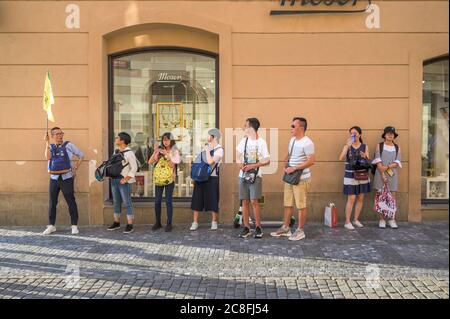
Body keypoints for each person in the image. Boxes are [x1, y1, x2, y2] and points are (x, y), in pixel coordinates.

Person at [270, 117, 315, 241]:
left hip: (301, 178)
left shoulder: (307, 142)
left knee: (301, 205)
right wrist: (285, 164)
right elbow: (290, 154)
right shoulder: (292, 140)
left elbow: (311, 161)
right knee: (288, 203)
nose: (291, 128)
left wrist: (294, 168)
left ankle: (300, 231)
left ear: (301, 128)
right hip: (290, 176)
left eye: (293, 126)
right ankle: (286, 228)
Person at [43, 127, 84, 235]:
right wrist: (46, 143)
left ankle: (74, 225)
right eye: (57, 134)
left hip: (67, 178)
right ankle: (51, 225)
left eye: (61, 133)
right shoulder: (50, 147)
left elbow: (81, 155)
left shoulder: (69, 145)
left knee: (71, 201)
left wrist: (76, 167)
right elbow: (47, 157)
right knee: (52, 202)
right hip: (54, 178)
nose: (60, 135)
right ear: (52, 136)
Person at [236, 118, 270, 239]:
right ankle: (246, 228)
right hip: (243, 176)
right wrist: (240, 165)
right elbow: (238, 157)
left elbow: (267, 160)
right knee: (244, 201)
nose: (243, 128)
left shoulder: (261, 142)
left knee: (254, 202)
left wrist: (253, 166)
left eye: (245, 126)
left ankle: (258, 227)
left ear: (251, 128)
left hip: (256, 176)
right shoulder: (243, 141)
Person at [190, 128, 224, 231]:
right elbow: (198, 162)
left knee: (213, 199)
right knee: (197, 199)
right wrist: (194, 176)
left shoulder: (219, 150)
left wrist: (208, 151)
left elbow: (210, 162)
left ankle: (214, 222)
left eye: (209, 135)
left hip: (212, 177)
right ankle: (195, 222)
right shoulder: (205, 148)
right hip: (200, 177)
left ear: (214, 137)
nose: (207, 137)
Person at [339, 126, 371, 230]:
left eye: (355, 133)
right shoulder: (347, 146)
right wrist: (347, 146)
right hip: (350, 174)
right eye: (351, 133)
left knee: (360, 198)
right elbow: (340, 158)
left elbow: (368, 160)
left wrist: (364, 156)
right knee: (351, 198)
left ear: (360, 135)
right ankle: (347, 221)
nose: (353, 135)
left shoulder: (365, 146)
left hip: (362, 174)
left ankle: (355, 219)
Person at [148, 132, 181, 232]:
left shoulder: (175, 151)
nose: (165, 142)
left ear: (171, 140)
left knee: (168, 201)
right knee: (157, 201)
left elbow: (172, 165)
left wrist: (167, 154)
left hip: (169, 179)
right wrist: (155, 152)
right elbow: (150, 162)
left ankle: (169, 223)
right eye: (164, 140)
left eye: (167, 140)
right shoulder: (160, 150)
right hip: (159, 179)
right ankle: (158, 222)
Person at [107, 132, 138, 234]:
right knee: (116, 202)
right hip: (114, 180)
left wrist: (126, 178)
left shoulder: (130, 153)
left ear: (122, 140)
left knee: (127, 202)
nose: (115, 139)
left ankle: (130, 224)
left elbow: (134, 168)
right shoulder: (115, 152)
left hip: (124, 181)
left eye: (117, 138)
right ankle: (116, 222)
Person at [372, 126, 402, 229]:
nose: (390, 135)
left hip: (392, 174)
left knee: (392, 197)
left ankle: (392, 219)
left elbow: (397, 162)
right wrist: (383, 173)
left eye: (392, 134)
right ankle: (382, 219)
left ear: (394, 136)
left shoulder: (397, 147)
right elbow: (377, 160)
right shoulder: (379, 146)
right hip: (380, 174)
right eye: (388, 133)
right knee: (381, 196)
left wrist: (387, 167)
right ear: (384, 135)